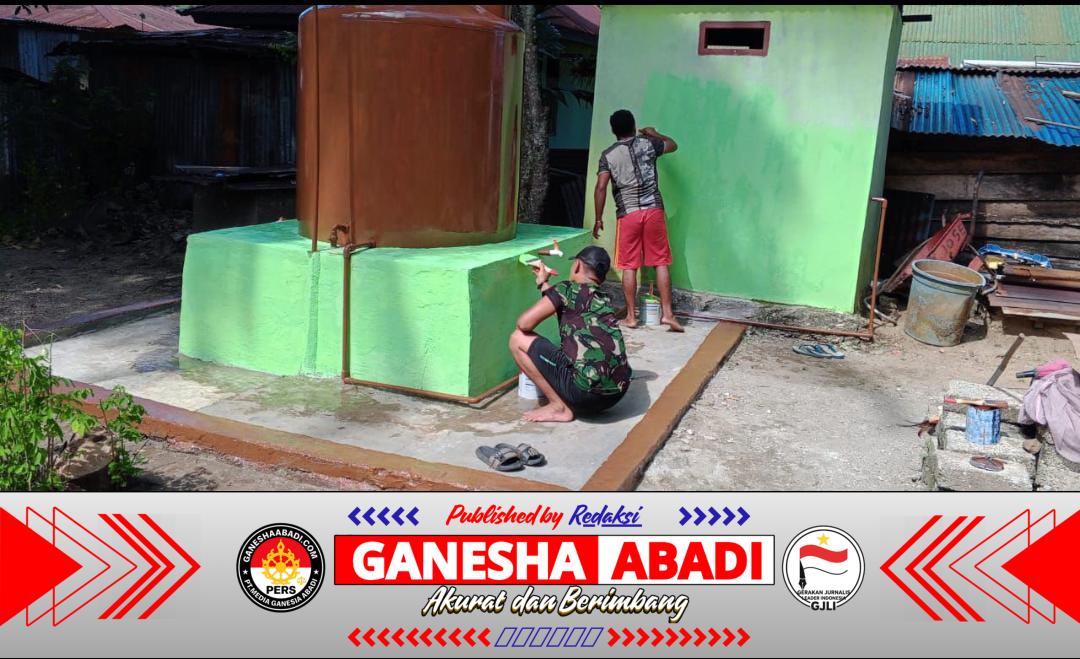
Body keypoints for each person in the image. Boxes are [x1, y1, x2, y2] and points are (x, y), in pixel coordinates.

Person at [508, 246, 632, 423]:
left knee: (517, 339)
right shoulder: (604, 298)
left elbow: (524, 323)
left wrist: (550, 289)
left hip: (584, 395)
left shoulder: (566, 288)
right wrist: (543, 283)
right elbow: (569, 310)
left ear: (577, 266)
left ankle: (558, 406)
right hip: (616, 395)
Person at [593, 108, 683, 332]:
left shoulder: (608, 155)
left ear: (613, 131)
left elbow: (601, 187)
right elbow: (673, 145)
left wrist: (598, 218)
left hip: (628, 213)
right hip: (654, 210)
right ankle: (668, 315)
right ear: (634, 126)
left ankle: (631, 317)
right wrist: (655, 133)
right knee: (661, 262)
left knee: (629, 266)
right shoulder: (649, 144)